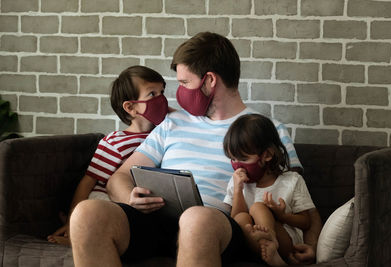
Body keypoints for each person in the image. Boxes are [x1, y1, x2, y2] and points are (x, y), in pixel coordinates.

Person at [69, 32, 321, 267]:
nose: (179, 93)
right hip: (156, 222)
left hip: (218, 226)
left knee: (196, 219)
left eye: (184, 82)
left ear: (210, 80)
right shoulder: (172, 123)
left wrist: (310, 246)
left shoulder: (267, 130)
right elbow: (118, 178)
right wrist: (129, 198)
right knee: (88, 213)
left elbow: (298, 196)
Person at [47, 65, 169, 246]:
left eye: (162, 92)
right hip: (106, 199)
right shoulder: (115, 142)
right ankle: (75, 237)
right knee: (99, 214)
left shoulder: (162, 135)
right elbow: (88, 181)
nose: (162, 99)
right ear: (130, 107)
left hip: (135, 204)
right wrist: (72, 219)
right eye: (152, 94)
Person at [223, 113, 316, 265]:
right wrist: (238, 189)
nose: (237, 165)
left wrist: (282, 215)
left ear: (267, 155)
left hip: (285, 243)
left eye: (244, 159)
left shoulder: (292, 180)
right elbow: (235, 219)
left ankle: (270, 241)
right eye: (233, 159)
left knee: (257, 207)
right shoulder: (236, 182)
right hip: (251, 244)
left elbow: (306, 222)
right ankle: (272, 258)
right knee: (241, 218)